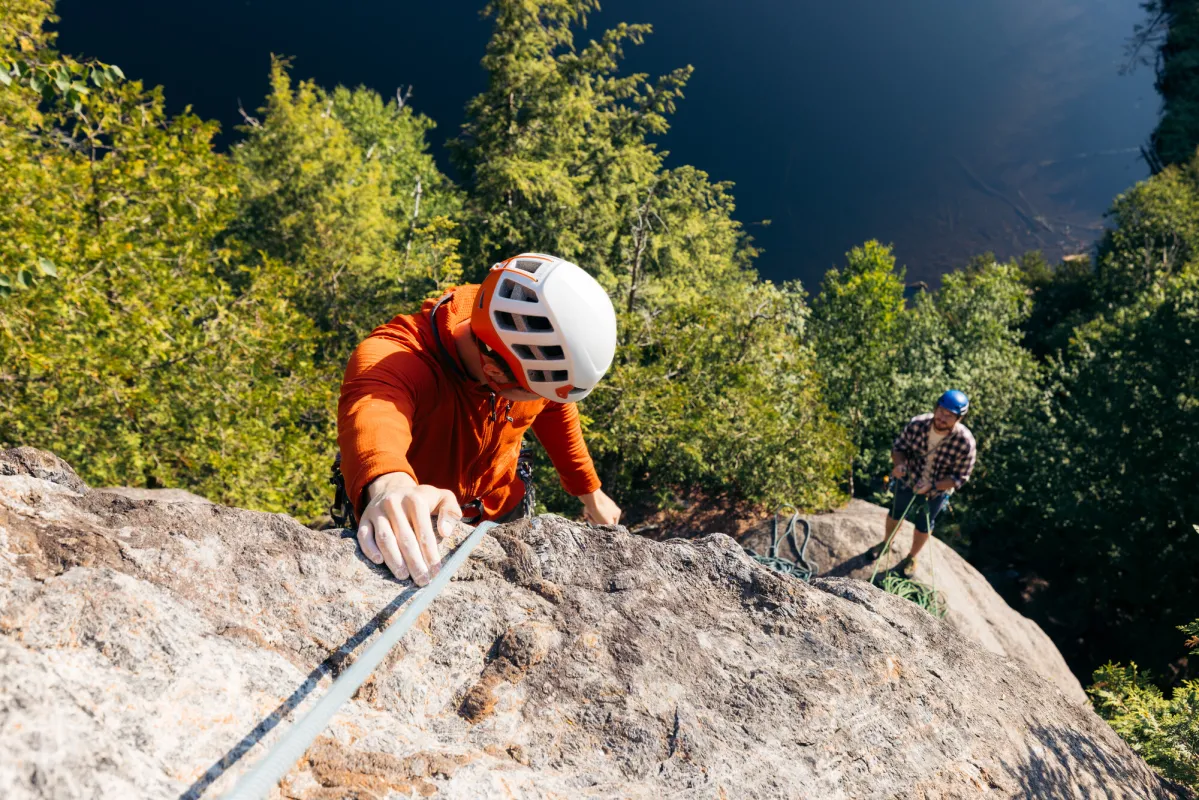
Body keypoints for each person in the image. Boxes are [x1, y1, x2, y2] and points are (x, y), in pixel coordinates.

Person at [337, 253, 622, 586]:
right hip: (418, 520)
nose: (542, 399)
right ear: (495, 373)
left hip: (502, 507)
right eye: (534, 392)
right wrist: (391, 486)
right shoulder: (393, 358)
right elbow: (374, 413)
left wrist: (590, 491)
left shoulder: (522, 342)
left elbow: (555, 407)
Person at [871, 390, 977, 578]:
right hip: (908, 478)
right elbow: (898, 448)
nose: (942, 417)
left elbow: (960, 477)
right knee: (896, 512)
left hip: (937, 490)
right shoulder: (917, 424)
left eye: (949, 415)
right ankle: (886, 543)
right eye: (941, 411)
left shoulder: (965, 442)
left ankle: (912, 557)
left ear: (958, 418)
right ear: (936, 408)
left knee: (924, 524)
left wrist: (934, 486)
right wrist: (900, 465)